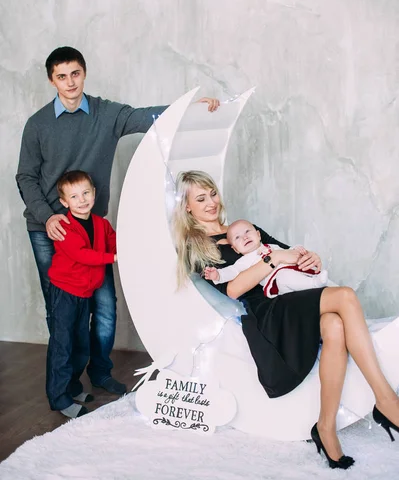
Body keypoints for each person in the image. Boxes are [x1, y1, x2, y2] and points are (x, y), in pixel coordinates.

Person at [16, 46, 220, 395]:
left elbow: (146, 117)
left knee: (105, 308)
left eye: (75, 74)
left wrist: (188, 110)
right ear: (52, 80)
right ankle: (64, 383)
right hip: (48, 227)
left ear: (84, 73)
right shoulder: (37, 125)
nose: (70, 82)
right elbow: (26, 177)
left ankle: (100, 372)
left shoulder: (106, 114)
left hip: (92, 226)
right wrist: (47, 216)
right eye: (62, 76)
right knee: (62, 313)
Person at [173, 170, 399, 470]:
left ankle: (325, 427)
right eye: (200, 198)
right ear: (187, 206)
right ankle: (386, 400)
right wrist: (271, 261)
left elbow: (287, 252)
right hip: (265, 312)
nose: (211, 202)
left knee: (335, 323)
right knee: (344, 297)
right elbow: (232, 289)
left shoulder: (243, 228)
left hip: (287, 293)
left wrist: (309, 259)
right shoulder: (197, 244)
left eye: (212, 193)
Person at [47, 170, 117, 419]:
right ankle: (59, 398)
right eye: (74, 196)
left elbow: (114, 241)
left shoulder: (101, 224)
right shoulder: (64, 227)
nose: (82, 199)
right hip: (65, 293)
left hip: (84, 293)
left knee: (81, 346)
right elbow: (82, 256)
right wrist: (114, 258)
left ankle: (73, 387)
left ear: (94, 193)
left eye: (86, 192)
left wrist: (129, 246)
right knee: (62, 346)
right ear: (65, 202)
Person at [204, 219, 328, 297]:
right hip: (278, 282)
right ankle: (314, 283)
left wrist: (300, 250)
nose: (244, 237)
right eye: (237, 238)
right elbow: (232, 271)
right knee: (285, 277)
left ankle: (315, 279)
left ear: (258, 235)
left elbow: (288, 251)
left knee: (301, 270)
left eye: (247, 232)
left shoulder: (271, 246)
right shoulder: (245, 261)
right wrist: (218, 275)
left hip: (294, 271)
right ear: (236, 250)